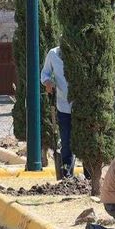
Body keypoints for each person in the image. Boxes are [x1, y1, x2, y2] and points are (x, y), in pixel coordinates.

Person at [41, 46, 74, 176]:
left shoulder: (82, 49)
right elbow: (45, 73)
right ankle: (67, 174)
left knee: (86, 140)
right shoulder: (53, 54)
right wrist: (48, 82)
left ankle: (89, 175)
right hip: (63, 105)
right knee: (66, 142)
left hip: (83, 105)